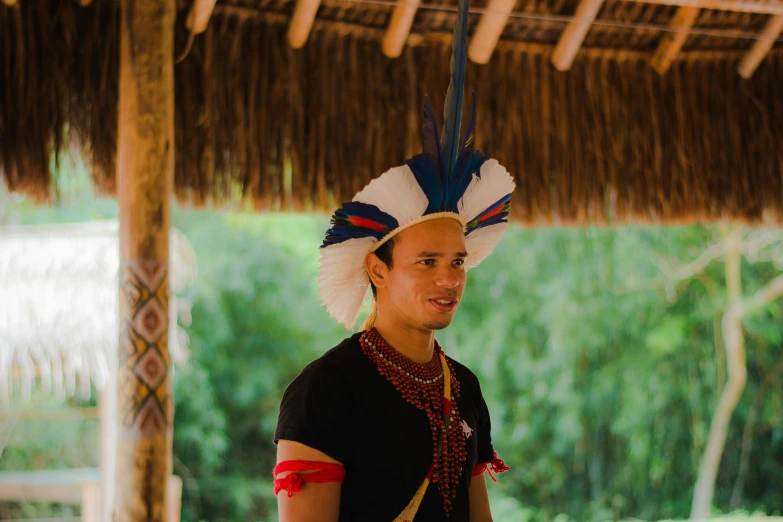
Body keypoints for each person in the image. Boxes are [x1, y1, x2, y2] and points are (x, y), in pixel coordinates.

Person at [273, 0, 514, 519]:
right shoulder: (325, 391)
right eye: (427, 261)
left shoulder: (464, 387)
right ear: (377, 269)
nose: (450, 278)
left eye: (458, 260)